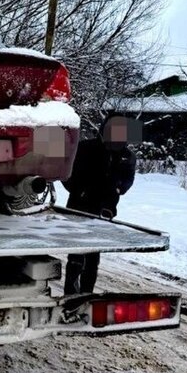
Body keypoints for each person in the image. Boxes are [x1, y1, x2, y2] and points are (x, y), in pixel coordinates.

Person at [62, 115, 138, 296]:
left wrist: (118, 189)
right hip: (78, 209)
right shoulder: (85, 148)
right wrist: (78, 190)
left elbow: (127, 180)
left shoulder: (126, 156)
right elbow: (67, 173)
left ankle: (87, 296)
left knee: (93, 257)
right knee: (76, 257)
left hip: (104, 211)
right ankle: (70, 297)